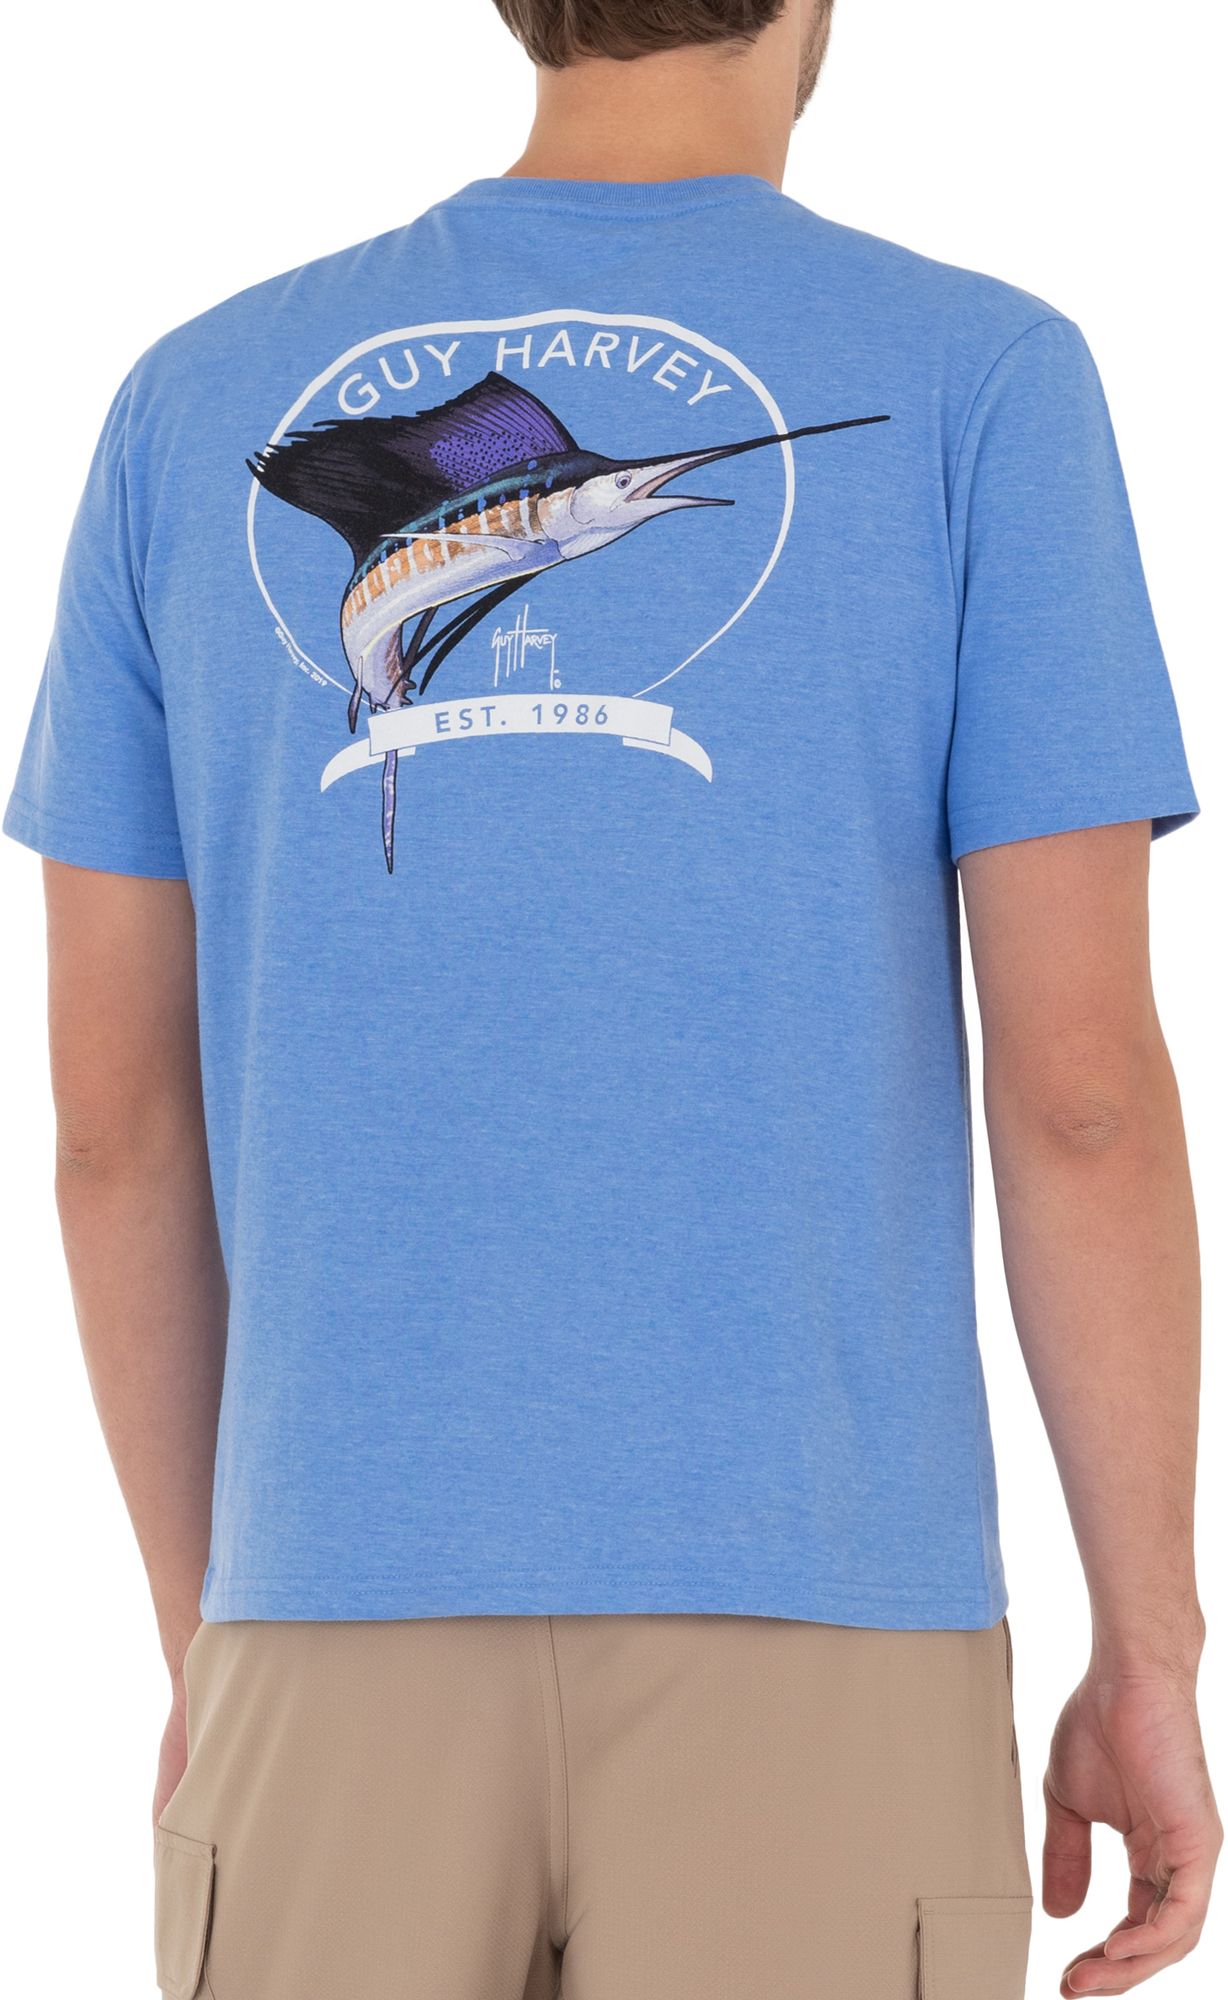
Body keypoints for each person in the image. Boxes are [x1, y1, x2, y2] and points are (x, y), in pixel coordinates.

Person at [5, 2, 1218, 1994]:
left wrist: (218, 1636)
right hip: (825, 1621)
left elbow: (109, 1129)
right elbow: (1079, 1092)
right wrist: (1149, 1651)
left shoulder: (184, 396)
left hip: (327, 1613)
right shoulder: (986, 374)